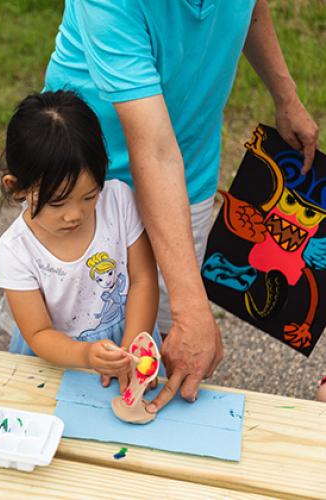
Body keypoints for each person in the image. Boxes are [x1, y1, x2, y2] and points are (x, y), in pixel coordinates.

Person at [42, 0, 319, 411]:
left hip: (188, 165)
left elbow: (250, 7)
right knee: (69, 364)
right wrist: (191, 310)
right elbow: (153, 150)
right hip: (82, 184)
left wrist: (286, 95)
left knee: (170, 360)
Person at [0, 90, 160, 390]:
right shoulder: (16, 249)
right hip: (59, 361)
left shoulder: (119, 200)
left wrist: (131, 352)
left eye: (89, 196)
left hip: (130, 334)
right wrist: (85, 355)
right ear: (16, 187)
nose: (75, 215)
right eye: (57, 203)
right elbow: (39, 333)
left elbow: (143, 279)